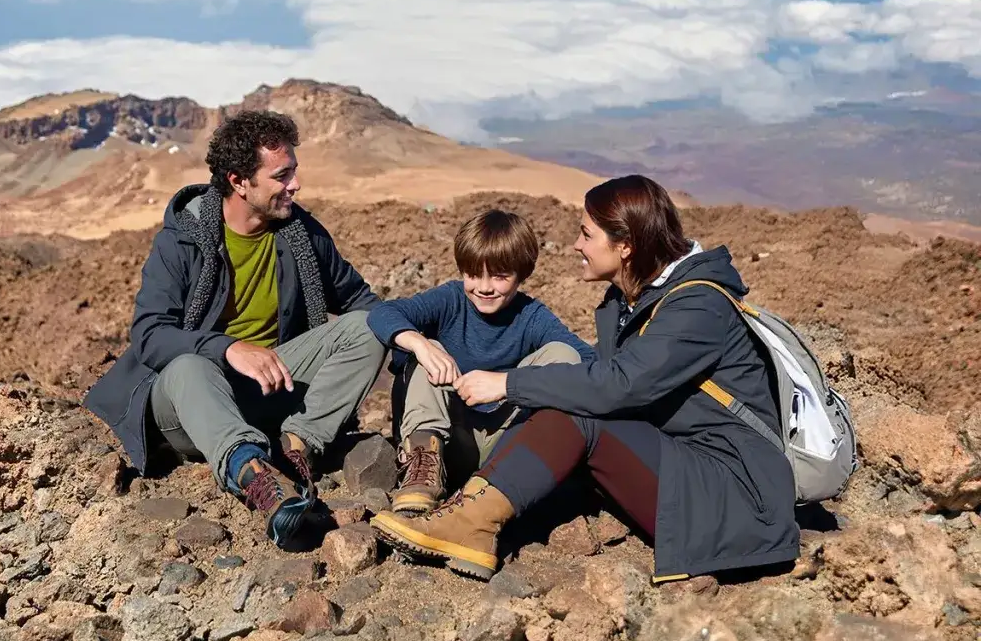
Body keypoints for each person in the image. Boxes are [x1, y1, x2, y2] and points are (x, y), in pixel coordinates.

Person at [371, 175, 800, 583]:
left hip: (736, 500)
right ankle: (470, 509)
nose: (576, 244)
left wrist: (508, 384)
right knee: (575, 395)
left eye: (587, 234)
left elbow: (618, 385)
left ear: (626, 245)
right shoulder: (634, 300)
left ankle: (469, 523)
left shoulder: (697, 306)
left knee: (580, 405)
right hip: (682, 467)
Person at [84, 110, 387, 548]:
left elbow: (362, 303)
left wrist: (419, 339)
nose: (295, 185)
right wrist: (228, 349)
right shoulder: (183, 239)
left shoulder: (301, 234)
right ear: (239, 181)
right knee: (190, 366)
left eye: (295, 172)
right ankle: (255, 476)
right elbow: (150, 335)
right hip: (191, 405)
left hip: (269, 390)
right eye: (282, 176)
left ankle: (296, 446)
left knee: (365, 328)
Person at [367, 209, 594, 514]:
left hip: (503, 445)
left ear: (522, 274)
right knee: (428, 346)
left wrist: (506, 385)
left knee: (563, 355)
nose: (484, 287)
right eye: (473, 275)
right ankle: (420, 473)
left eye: (500, 276)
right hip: (444, 441)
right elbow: (382, 313)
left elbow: (588, 360)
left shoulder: (532, 316)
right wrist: (420, 344)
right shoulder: (450, 300)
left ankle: (506, 483)